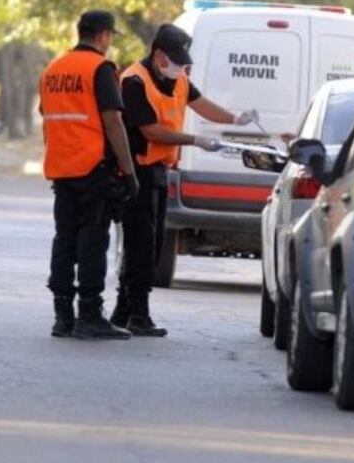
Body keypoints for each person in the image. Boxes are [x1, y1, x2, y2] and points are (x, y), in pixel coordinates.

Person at [111, 23, 259, 336]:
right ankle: (138, 314)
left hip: (160, 171)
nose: (181, 68)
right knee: (141, 245)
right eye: (176, 62)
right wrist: (194, 140)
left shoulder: (177, 80)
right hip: (136, 172)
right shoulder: (134, 81)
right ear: (159, 55)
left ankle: (123, 312)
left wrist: (235, 119)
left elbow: (201, 104)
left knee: (151, 245)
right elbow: (150, 130)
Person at [39, 9, 140, 340]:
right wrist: (128, 170)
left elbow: (48, 116)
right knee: (93, 242)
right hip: (93, 170)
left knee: (64, 241)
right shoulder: (100, 69)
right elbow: (112, 121)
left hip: (61, 169)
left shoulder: (53, 69)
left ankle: (62, 316)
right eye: (111, 37)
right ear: (103, 36)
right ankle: (90, 315)